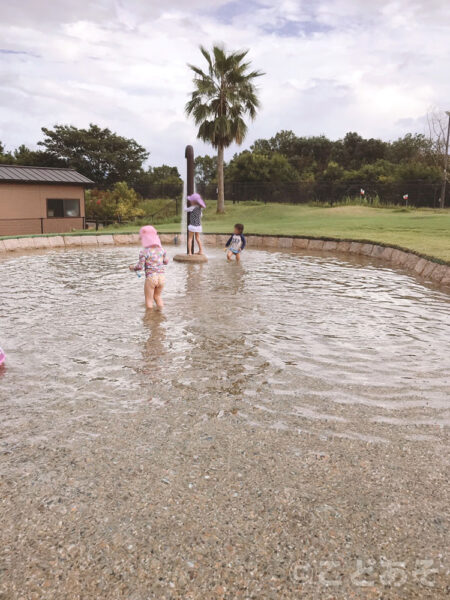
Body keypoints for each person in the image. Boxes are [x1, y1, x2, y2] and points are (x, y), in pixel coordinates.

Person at [129, 225, 169, 310]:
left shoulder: (144, 252)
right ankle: (160, 314)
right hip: (161, 278)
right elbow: (166, 262)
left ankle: (149, 319)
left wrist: (133, 268)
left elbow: (140, 267)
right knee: (157, 297)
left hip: (151, 278)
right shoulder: (162, 250)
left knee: (149, 300)